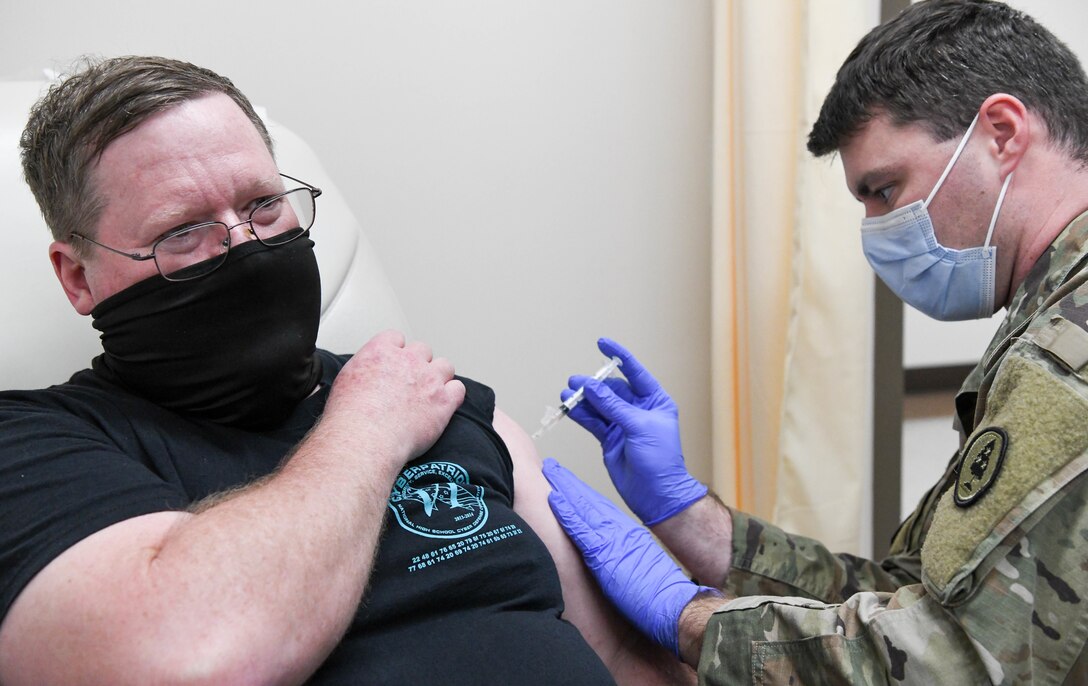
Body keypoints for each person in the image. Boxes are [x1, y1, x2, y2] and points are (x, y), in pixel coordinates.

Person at [0, 56, 690, 685]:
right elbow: (191, 661)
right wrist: (367, 429)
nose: (246, 246)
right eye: (182, 231)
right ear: (77, 277)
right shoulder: (35, 446)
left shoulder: (433, 397)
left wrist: (694, 540)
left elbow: (624, 658)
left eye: (264, 205)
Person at [544, 0, 1088, 683]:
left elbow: (956, 663)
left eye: (886, 191)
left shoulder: (1070, 353)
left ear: (1002, 133)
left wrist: (686, 618)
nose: (878, 232)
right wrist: (688, 516)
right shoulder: (1046, 320)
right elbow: (906, 598)